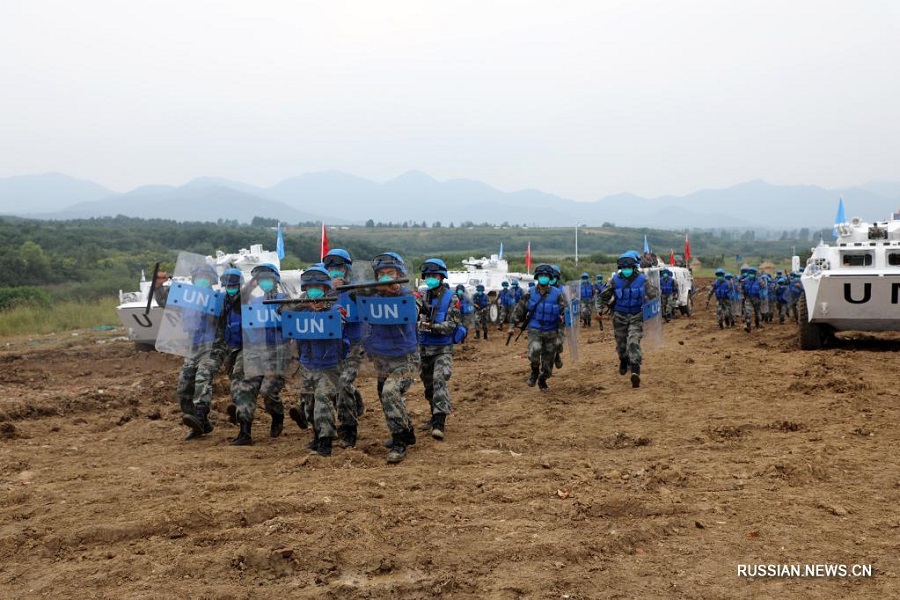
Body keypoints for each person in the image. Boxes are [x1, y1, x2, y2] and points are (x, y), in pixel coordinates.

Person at [162, 263, 240, 441]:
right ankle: (199, 424)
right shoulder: (188, 300)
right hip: (194, 347)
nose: (203, 280)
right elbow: (167, 303)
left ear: (212, 280)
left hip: (214, 346)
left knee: (203, 378)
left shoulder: (220, 299)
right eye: (199, 277)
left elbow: (235, 304)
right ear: (194, 280)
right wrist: (160, 288)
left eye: (206, 277)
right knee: (184, 385)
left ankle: (200, 415)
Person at [364, 252, 419, 464]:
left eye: (391, 273)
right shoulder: (371, 298)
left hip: (406, 358)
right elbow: (352, 299)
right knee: (386, 397)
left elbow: (414, 310)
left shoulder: (410, 296)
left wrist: (395, 292)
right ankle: (407, 430)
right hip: (382, 357)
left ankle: (399, 442)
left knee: (390, 392)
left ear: (400, 274)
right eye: (382, 274)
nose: (386, 277)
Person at [228, 264, 288, 446]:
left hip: (278, 352)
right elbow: (237, 302)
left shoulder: (285, 300)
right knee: (244, 389)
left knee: (268, 391)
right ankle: (244, 431)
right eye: (261, 280)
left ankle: (277, 414)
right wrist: (251, 284)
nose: (264, 283)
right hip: (255, 350)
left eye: (267, 279)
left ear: (276, 280)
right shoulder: (253, 302)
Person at [291, 266, 348, 457]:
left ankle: (326, 441)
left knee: (323, 401)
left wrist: (320, 311)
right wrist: (303, 306)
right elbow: (282, 311)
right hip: (307, 364)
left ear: (325, 289)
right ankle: (316, 436)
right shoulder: (300, 308)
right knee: (309, 405)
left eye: (318, 287)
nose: (314, 291)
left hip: (329, 365)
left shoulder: (336, 308)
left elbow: (339, 322)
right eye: (310, 287)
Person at [321, 248, 365, 449]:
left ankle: (348, 429)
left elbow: (367, 299)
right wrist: (330, 289)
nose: (335, 272)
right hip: (332, 344)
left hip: (354, 343)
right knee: (336, 384)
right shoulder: (322, 289)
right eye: (331, 269)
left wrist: (347, 288)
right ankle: (354, 397)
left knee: (343, 383)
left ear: (347, 269)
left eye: (339, 268)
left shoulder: (358, 287)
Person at [598, 251, 657, 388]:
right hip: (619, 316)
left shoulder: (643, 280)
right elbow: (602, 297)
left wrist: (654, 305)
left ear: (634, 267)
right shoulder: (614, 281)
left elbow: (654, 294)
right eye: (624, 268)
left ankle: (635, 371)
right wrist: (599, 310)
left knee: (633, 341)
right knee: (621, 345)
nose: (626, 270)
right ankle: (623, 359)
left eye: (629, 267)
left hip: (637, 315)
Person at [417, 259, 462, 440]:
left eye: (434, 276)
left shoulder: (452, 298)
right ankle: (433, 413)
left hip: (442, 348)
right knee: (428, 386)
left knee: (439, 380)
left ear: (442, 277)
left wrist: (431, 326)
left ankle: (439, 422)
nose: (430, 279)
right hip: (423, 347)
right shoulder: (422, 297)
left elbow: (451, 325)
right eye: (428, 276)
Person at [508, 263, 568, 391]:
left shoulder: (557, 294)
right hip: (535, 329)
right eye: (541, 275)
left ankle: (542, 379)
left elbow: (565, 309)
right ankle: (534, 371)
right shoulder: (530, 293)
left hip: (551, 331)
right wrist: (512, 326)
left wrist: (564, 317)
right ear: (537, 277)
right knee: (533, 353)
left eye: (546, 275)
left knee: (548, 365)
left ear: (550, 277)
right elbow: (519, 310)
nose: (543, 278)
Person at [740, 266, 763, 332]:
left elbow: (763, 289)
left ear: (755, 274)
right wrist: (743, 296)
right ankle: (748, 326)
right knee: (748, 312)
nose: (751, 274)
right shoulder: (745, 280)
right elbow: (742, 289)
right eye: (750, 273)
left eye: (752, 273)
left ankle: (757, 324)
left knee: (757, 313)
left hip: (757, 299)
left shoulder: (760, 281)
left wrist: (762, 298)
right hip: (748, 298)